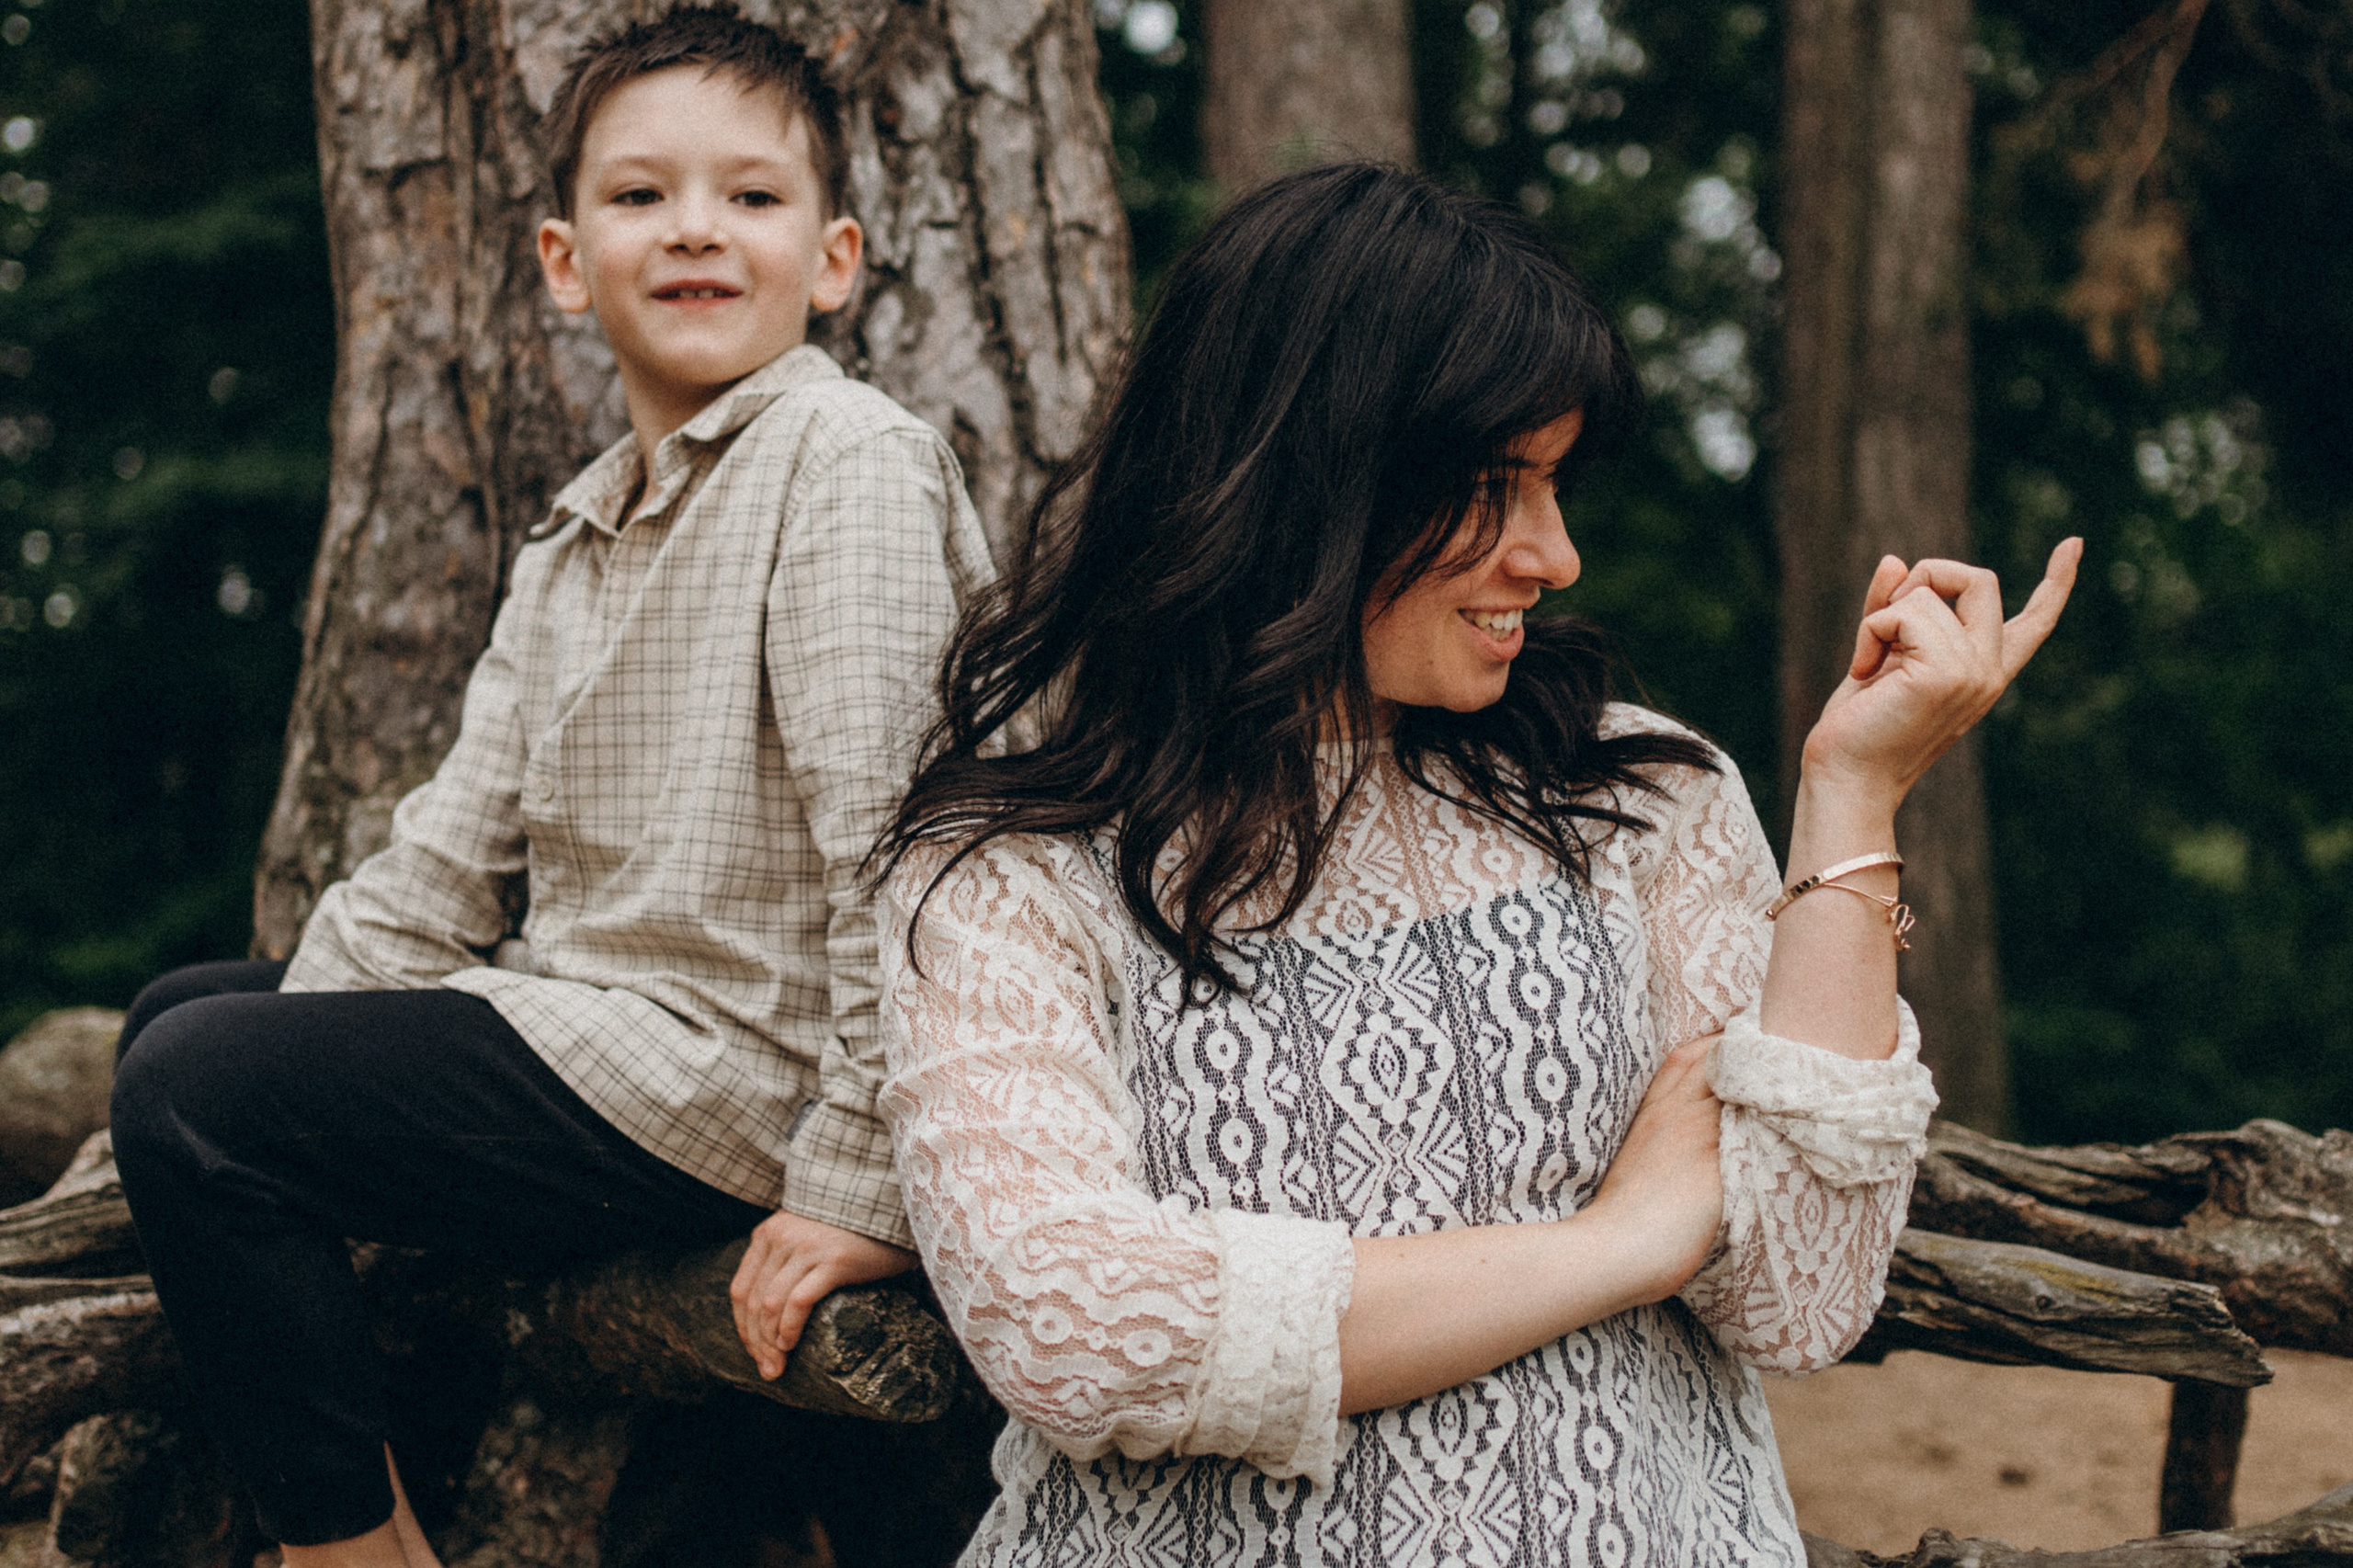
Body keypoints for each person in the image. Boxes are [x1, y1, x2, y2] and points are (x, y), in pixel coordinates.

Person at [873, 162, 2080, 1567]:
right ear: (1309, 474)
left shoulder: (1640, 798)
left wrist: (1855, 788)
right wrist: (1622, 1243)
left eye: (1556, 484)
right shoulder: (1017, 873)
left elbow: (1803, 1292)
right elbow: (1079, 1329)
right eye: (1499, 489)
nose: (1555, 555)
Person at [107, 7, 992, 1562]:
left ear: (835, 257)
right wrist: (301, 1027)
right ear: (566, 260)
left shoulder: (843, 461)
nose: (698, 229)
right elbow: (445, 857)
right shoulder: (580, 533)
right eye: (643, 195)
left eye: (753, 196)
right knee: (185, 1025)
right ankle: (375, 1459)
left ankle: (350, 1552)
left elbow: (904, 857)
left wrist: (865, 1185)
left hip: (757, 1070)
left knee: (198, 1092)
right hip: (612, 1035)